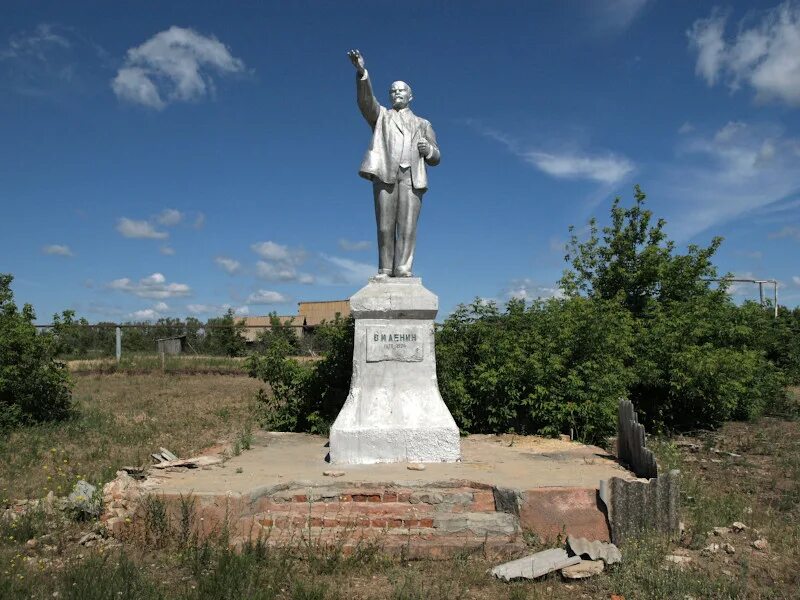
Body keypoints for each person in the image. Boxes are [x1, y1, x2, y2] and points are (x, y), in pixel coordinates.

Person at [347, 49, 440, 278]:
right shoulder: (382, 116)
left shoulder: (423, 123)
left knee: (408, 228)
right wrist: (362, 74)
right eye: (393, 91)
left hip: (412, 178)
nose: (397, 93)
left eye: (401, 90)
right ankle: (385, 268)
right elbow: (366, 103)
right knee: (385, 227)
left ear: (411, 96)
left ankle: (403, 268)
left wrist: (428, 150)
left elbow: (437, 156)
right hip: (385, 175)